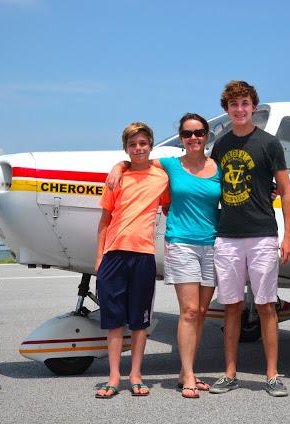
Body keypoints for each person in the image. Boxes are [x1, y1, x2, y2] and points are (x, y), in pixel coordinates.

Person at [106, 113, 221, 399]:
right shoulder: (169, 164)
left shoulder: (218, 167)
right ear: (181, 138)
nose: (193, 138)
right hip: (181, 242)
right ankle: (190, 376)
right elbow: (138, 161)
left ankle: (185, 373)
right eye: (187, 134)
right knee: (190, 311)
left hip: (212, 244)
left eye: (198, 132)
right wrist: (118, 166)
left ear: (207, 135)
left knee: (203, 312)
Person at [208, 80, 290, 397]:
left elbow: (285, 192)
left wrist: (288, 238)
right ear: (227, 109)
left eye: (245, 103)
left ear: (253, 107)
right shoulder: (220, 145)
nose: (240, 109)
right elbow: (209, 184)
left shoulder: (270, 144)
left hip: (262, 236)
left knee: (265, 306)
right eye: (234, 105)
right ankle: (229, 373)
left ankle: (272, 375)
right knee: (230, 307)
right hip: (227, 237)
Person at [94, 122, 169, 399]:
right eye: (132, 145)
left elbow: (173, 199)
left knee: (139, 322)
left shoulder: (162, 177)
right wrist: (99, 256)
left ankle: (135, 374)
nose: (138, 148)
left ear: (150, 145)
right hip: (114, 255)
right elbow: (104, 220)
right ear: (126, 148)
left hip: (143, 256)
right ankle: (114, 376)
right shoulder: (116, 178)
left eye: (143, 144)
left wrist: (121, 163)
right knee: (114, 321)